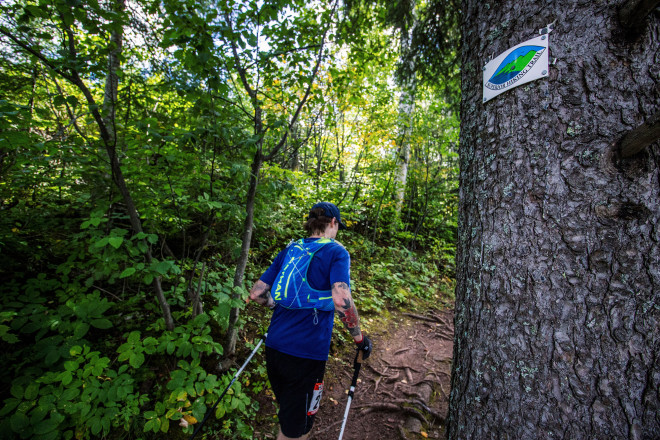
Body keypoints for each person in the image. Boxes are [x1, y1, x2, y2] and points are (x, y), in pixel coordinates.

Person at [246, 201, 372, 440]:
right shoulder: (336, 251)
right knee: (298, 429)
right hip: (305, 354)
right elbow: (341, 299)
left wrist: (274, 304)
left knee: (289, 416)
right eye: (338, 226)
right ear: (333, 223)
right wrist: (359, 338)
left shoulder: (291, 249)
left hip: (274, 347)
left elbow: (256, 294)